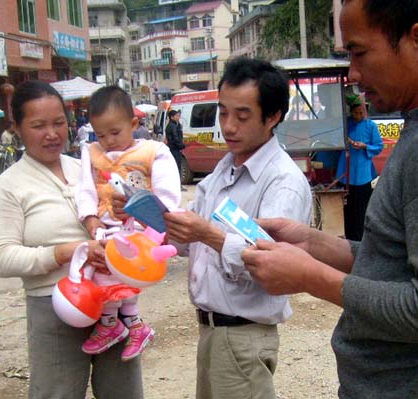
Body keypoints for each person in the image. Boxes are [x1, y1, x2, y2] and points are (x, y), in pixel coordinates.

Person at [242, 1, 418, 398]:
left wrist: (310, 277)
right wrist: (312, 244)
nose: (353, 73)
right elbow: (397, 263)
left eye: (359, 52)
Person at [163, 57, 312, 399]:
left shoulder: (282, 182)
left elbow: (270, 266)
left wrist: (206, 233)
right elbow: (190, 240)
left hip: (244, 336)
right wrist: (150, 215)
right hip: (213, 332)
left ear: (272, 116)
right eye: (223, 112)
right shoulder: (223, 171)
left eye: (242, 116)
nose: (228, 126)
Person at [0, 80, 145, 398]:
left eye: (59, 123)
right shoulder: (9, 185)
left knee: (123, 392)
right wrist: (67, 252)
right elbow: (2, 258)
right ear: (17, 127)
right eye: (38, 125)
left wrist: (127, 215)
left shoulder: (88, 167)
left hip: (110, 299)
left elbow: (125, 219)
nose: (52, 133)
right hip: (55, 306)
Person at [76, 85, 181, 361]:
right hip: (104, 226)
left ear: (133, 124)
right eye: (100, 134)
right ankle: (119, 324)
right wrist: (90, 218)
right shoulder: (91, 153)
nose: (108, 141)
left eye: (115, 132)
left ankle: (127, 324)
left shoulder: (153, 152)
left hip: (139, 231)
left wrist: (139, 211)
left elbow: (167, 197)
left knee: (122, 267)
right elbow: (85, 189)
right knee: (99, 270)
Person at [335, 101, 383, 240]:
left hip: (363, 173)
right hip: (345, 171)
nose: (358, 116)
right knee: (347, 208)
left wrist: (364, 146)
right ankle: (348, 237)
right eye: (356, 113)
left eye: (361, 113)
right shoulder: (346, 124)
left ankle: (360, 239)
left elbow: (378, 146)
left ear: (365, 112)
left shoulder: (371, 126)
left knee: (361, 209)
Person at [165, 109, 187, 191]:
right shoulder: (172, 126)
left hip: (175, 149)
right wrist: (181, 145)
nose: (178, 117)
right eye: (176, 116)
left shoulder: (175, 125)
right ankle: (177, 186)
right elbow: (175, 138)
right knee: (177, 167)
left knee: (178, 167)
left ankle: (177, 185)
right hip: (174, 149)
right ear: (172, 117)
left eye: (179, 116)